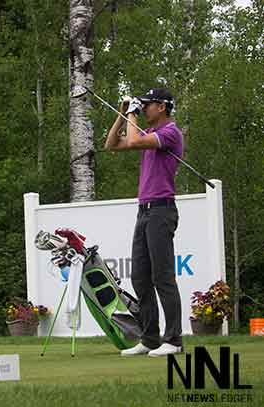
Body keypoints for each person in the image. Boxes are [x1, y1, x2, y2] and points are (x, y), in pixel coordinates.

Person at [104, 88, 184, 357]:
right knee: (140, 277)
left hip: (162, 211)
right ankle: (150, 339)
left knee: (163, 277)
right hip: (144, 212)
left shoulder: (171, 132)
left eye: (148, 105)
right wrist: (122, 113)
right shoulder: (149, 135)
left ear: (162, 107)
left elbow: (135, 140)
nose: (145, 108)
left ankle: (173, 340)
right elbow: (112, 145)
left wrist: (131, 114)